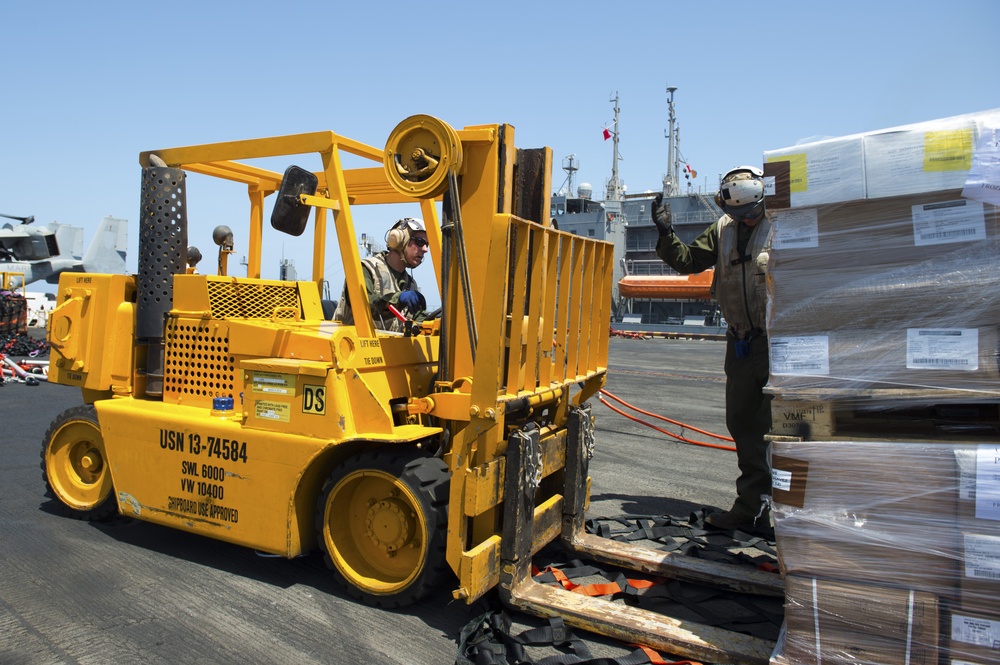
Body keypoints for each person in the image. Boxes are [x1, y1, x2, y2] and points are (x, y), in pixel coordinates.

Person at [651, 166, 773, 533]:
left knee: (781, 430)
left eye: (752, 212)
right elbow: (688, 261)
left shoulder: (783, 225)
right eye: (739, 214)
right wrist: (665, 231)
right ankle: (750, 506)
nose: (746, 219)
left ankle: (782, 512)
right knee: (741, 423)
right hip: (740, 344)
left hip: (779, 344)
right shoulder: (723, 230)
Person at [334, 217, 429, 332]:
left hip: (388, 348)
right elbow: (366, 305)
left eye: (427, 244)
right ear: (399, 240)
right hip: (350, 346)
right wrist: (398, 299)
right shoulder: (366, 269)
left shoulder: (410, 284)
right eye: (420, 242)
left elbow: (420, 319)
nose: (425, 249)